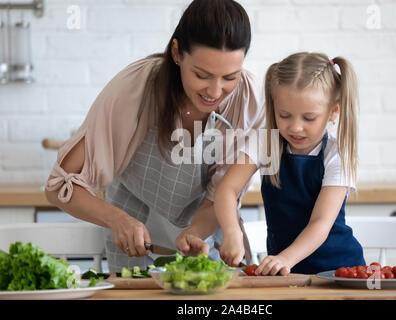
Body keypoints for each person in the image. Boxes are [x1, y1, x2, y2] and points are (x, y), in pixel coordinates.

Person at [45, 0, 264, 272]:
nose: (215, 91)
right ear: (176, 52)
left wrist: (195, 232)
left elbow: (222, 193)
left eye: (230, 77)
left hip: (206, 239)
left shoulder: (247, 98)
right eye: (201, 75)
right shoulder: (136, 89)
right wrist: (116, 219)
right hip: (131, 239)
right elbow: (58, 186)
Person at [214, 52, 365, 275]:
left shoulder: (336, 154)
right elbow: (227, 189)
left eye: (308, 118)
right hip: (287, 273)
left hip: (338, 272)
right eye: (284, 115)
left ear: (334, 111)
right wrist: (231, 231)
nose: (295, 127)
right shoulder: (266, 141)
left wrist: (286, 257)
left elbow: (321, 223)